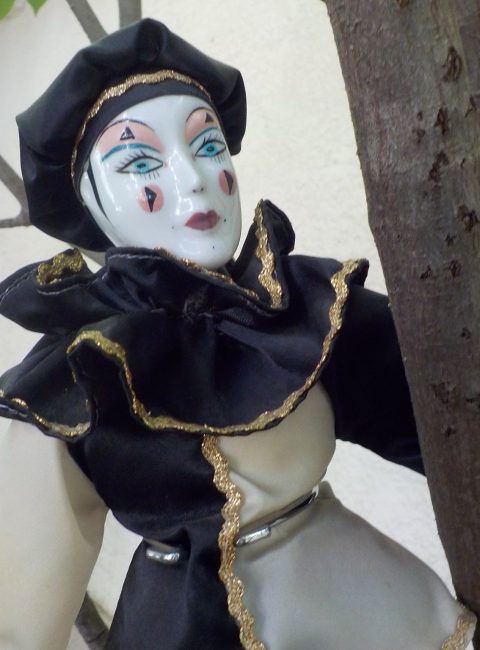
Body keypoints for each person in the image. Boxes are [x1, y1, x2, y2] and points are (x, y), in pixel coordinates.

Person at [0, 18, 475, 650]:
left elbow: (437, 410)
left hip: (352, 595)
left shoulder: (299, 306)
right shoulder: (77, 374)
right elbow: (20, 616)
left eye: (207, 145)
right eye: (139, 161)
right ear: (90, 202)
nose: (193, 179)